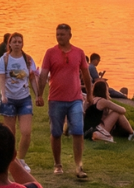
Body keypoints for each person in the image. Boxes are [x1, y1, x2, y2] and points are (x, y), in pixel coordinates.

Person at [35, 22, 92, 179]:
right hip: (56, 99)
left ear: (70, 35)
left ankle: (79, 166)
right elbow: (43, 75)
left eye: (62, 34)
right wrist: (39, 94)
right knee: (56, 132)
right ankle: (57, 164)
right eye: (57, 34)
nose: (59, 37)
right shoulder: (50, 53)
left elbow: (86, 75)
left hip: (75, 99)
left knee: (78, 131)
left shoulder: (79, 53)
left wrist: (90, 94)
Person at [0, 31, 38, 161]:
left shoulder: (28, 59)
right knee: (10, 133)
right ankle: (11, 159)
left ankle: (21, 159)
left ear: (22, 44)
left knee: (26, 132)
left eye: (19, 42)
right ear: (9, 44)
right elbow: (2, 78)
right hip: (9, 99)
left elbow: (32, 78)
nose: (17, 44)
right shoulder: (4, 59)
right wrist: (3, 95)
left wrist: (38, 95)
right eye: (14, 42)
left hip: (24, 98)